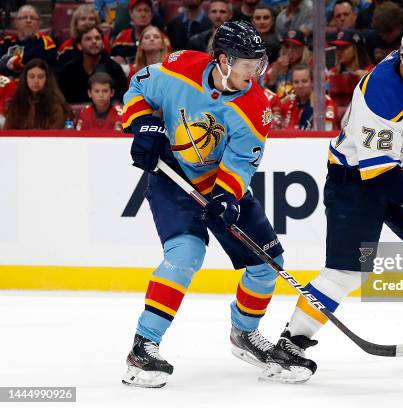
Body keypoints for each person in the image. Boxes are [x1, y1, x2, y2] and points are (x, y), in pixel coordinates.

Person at [262, 21, 403, 384]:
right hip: (355, 181)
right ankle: (289, 348)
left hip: (399, 168)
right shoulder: (379, 97)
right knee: (345, 273)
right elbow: (380, 174)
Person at [121, 21, 283, 388]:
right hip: (172, 177)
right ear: (223, 60)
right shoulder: (181, 68)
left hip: (215, 183)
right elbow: (138, 88)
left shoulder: (257, 107)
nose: (254, 72)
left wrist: (225, 196)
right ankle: (143, 346)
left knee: (267, 264)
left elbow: (241, 162)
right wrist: (145, 125)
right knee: (186, 251)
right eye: (247, 63)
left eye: (259, 63)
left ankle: (244, 334)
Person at [58, 25, 128, 103]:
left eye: (97, 38)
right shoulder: (68, 71)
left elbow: (123, 99)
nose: (94, 41)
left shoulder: (114, 69)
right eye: (88, 39)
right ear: (79, 46)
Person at [4, 59, 73, 130]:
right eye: (31, 76)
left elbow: (56, 133)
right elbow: (9, 131)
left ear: (47, 79)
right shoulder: (17, 102)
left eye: (40, 77)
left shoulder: (55, 103)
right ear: (25, 78)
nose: (36, 81)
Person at [0, 5, 56, 78]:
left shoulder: (45, 42)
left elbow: (38, 60)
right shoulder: (6, 42)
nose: (28, 21)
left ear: (39, 24)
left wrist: (13, 61)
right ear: (15, 23)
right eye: (24, 17)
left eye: (32, 18)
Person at [280, 64, 339, 130]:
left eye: (304, 81)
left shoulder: (327, 103)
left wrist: (311, 107)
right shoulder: (287, 103)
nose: (300, 86)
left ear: (312, 83)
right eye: (296, 82)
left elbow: (328, 132)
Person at [264, 29, 311, 97]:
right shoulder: (277, 65)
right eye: (287, 46)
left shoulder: (312, 66)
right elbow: (266, 92)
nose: (290, 51)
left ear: (303, 49)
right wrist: (275, 70)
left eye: (295, 47)